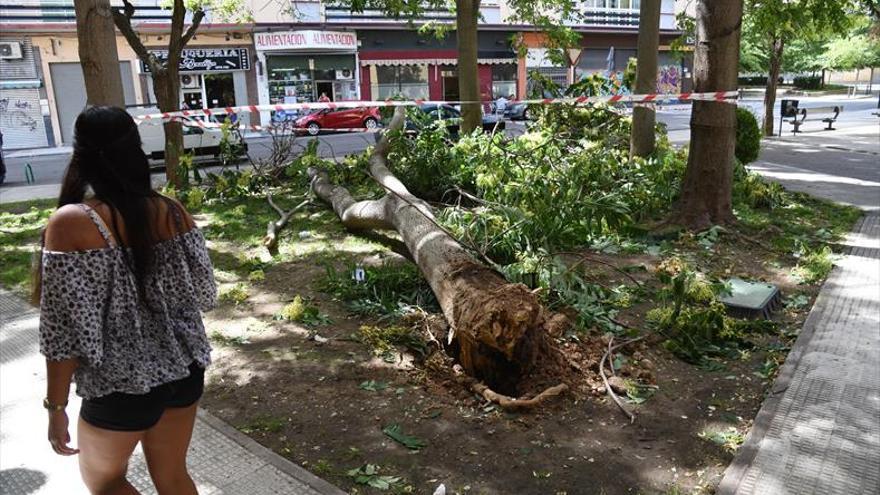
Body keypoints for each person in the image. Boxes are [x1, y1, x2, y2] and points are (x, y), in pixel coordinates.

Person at [35, 106, 216, 495]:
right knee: (173, 476)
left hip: (120, 385)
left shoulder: (71, 223)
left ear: (80, 154)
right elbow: (203, 292)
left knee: (105, 482)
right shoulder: (172, 210)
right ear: (136, 150)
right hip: (184, 370)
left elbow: (64, 330)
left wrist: (56, 407)